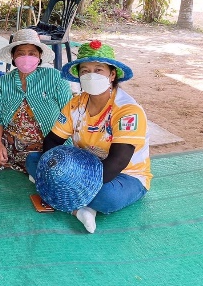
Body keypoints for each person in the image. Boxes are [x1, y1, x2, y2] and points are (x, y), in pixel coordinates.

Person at [25, 40, 151, 233]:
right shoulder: (76, 104)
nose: (91, 75)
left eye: (98, 70)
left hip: (124, 175)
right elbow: (53, 140)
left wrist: (70, 184)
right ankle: (79, 210)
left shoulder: (127, 111)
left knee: (107, 198)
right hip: (82, 166)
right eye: (85, 70)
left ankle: (68, 199)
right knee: (34, 160)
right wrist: (58, 172)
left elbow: (118, 161)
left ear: (112, 74)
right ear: (78, 76)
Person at [0, 29, 72, 173]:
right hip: (13, 140)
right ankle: (23, 161)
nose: (26, 57)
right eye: (21, 53)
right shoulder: (3, 82)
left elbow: (70, 114)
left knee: (56, 164)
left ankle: (33, 163)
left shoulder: (55, 77)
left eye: (32, 53)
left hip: (48, 140)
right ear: (13, 57)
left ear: (39, 57)